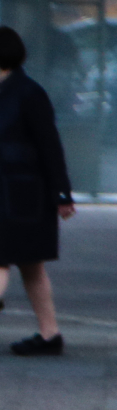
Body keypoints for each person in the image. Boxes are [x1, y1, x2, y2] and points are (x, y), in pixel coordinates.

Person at [0, 27, 75, 357]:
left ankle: (49, 335)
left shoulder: (29, 94)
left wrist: (62, 194)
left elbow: (50, 146)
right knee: (31, 266)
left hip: (23, 195)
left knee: (3, 259)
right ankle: (49, 334)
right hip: (13, 194)